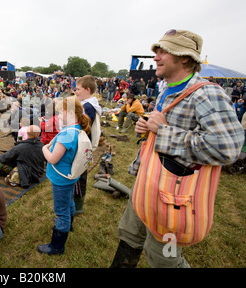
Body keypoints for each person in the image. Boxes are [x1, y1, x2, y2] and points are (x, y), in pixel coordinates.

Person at [110, 29, 245, 268]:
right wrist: (148, 126)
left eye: (163, 51)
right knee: (129, 234)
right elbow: (166, 126)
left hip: (173, 196)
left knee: (164, 259)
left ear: (184, 57)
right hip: (146, 182)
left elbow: (228, 148)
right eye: (156, 51)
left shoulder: (207, 93)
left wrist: (163, 132)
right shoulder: (167, 89)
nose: (156, 57)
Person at [38, 97, 91, 255]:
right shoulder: (76, 128)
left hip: (61, 180)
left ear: (69, 112)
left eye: (61, 112)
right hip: (70, 176)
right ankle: (69, 224)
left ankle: (57, 246)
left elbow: (53, 158)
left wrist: (43, 149)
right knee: (69, 203)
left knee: (61, 210)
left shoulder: (66, 134)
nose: (59, 116)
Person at [74, 75, 102, 215]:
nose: (76, 91)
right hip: (85, 145)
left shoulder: (87, 107)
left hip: (83, 146)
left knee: (79, 175)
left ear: (87, 89)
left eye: (78, 89)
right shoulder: (90, 104)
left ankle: (78, 206)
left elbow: (84, 128)